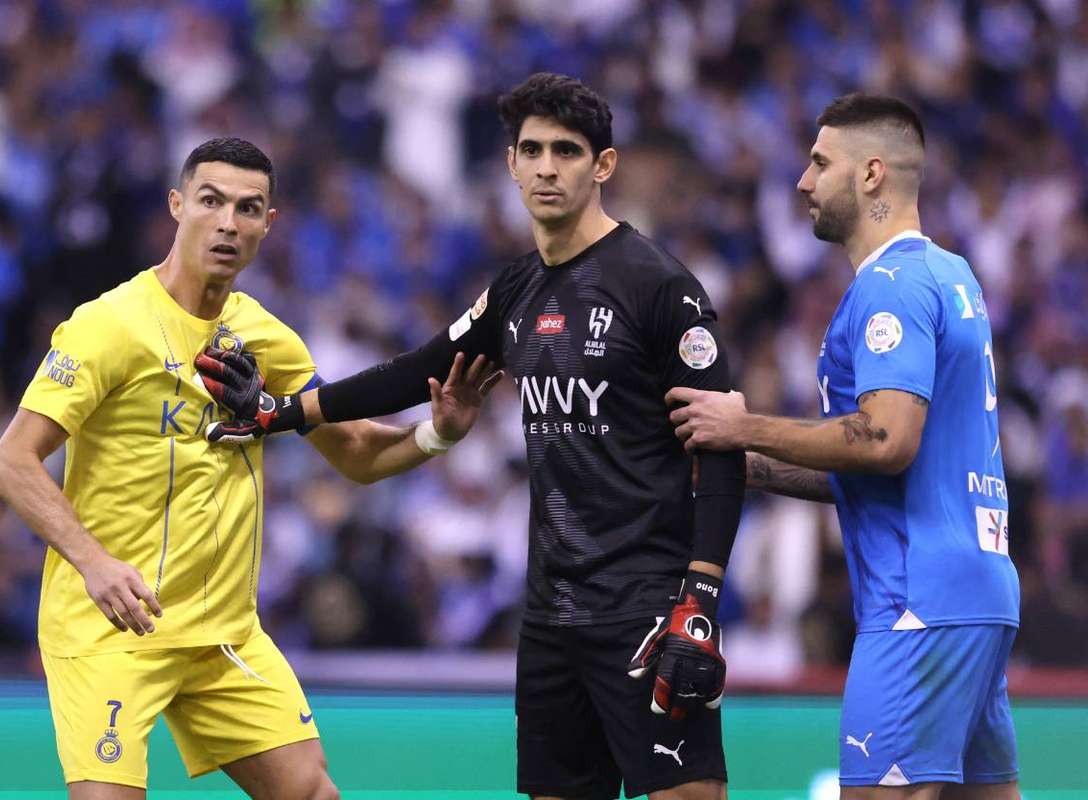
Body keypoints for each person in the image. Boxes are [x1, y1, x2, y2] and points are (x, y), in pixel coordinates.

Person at [196, 73, 745, 800]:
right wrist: (279, 413)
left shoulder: (659, 287)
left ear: (602, 166)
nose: (547, 168)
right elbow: (418, 370)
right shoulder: (516, 290)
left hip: (644, 608)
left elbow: (722, 446)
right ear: (511, 164)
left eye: (568, 152)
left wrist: (699, 598)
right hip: (550, 618)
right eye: (532, 150)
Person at [0, 137, 495, 799]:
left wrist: (436, 434)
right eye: (211, 201)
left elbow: (356, 455)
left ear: (268, 223)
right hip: (111, 626)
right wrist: (94, 563)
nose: (228, 222)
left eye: (248, 208)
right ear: (177, 205)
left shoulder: (262, 337)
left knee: (312, 792)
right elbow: (13, 462)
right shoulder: (106, 328)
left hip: (221, 634)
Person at [666, 94, 1020, 799]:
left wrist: (745, 425)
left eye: (820, 162)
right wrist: (748, 463)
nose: (803, 181)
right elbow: (881, 467)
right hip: (976, 592)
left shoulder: (888, 290)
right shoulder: (952, 276)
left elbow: (886, 440)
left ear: (872, 175)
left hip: (916, 603)